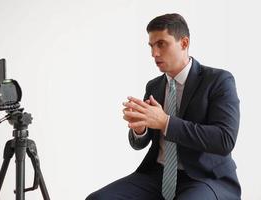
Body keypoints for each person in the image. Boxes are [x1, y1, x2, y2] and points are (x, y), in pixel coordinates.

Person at [86, 13, 241, 200]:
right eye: (151, 46)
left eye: (161, 44)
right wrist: (140, 129)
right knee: (97, 199)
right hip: (157, 175)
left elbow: (224, 140)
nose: (154, 53)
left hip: (204, 178)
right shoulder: (154, 86)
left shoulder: (218, 81)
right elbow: (140, 143)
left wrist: (166, 122)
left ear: (184, 43)